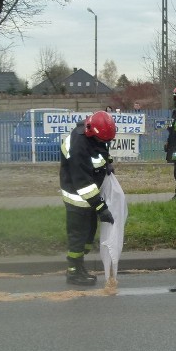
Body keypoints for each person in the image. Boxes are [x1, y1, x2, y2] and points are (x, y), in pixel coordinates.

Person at [60, 110, 117, 286]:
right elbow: (82, 182)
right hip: (77, 196)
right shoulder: (79, 146)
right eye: (103, 140)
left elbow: (100, 150)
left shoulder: (94, 134)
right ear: (92, 133)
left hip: (90, 195)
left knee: (88, 234)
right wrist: (101, 208)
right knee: (78, 234)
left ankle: (80, 267)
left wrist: (107, 163)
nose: (104, 143)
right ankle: (73, 272)